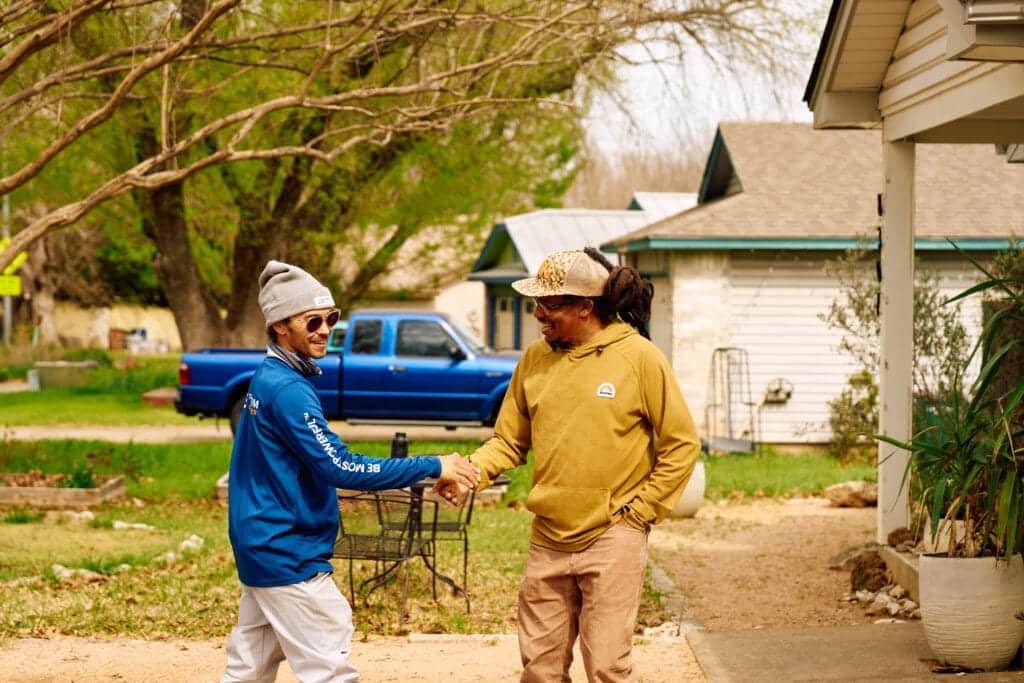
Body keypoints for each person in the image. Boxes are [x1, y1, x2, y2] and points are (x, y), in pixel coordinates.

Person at [437, 247, 700, 682]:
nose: (539, 313)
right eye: (535, 304)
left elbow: (681, 444)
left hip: (613, 534)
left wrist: (639, 516)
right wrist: (470, 472)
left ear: (585, 306)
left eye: (550, 304)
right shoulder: (535, 359)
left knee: (606, 668)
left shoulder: (639, 358)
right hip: (548, 537)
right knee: (540, 669)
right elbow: (508, 440)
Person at [222, 260, 479, 683]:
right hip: (287, 552)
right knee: (329, 670)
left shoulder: (270, 376)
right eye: (313, 320)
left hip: (261, 545)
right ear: (281, 325)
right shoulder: (287, 389)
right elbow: (341, 466)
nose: (325, 329)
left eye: (331, 318)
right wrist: (434, 465)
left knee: (249, 669)